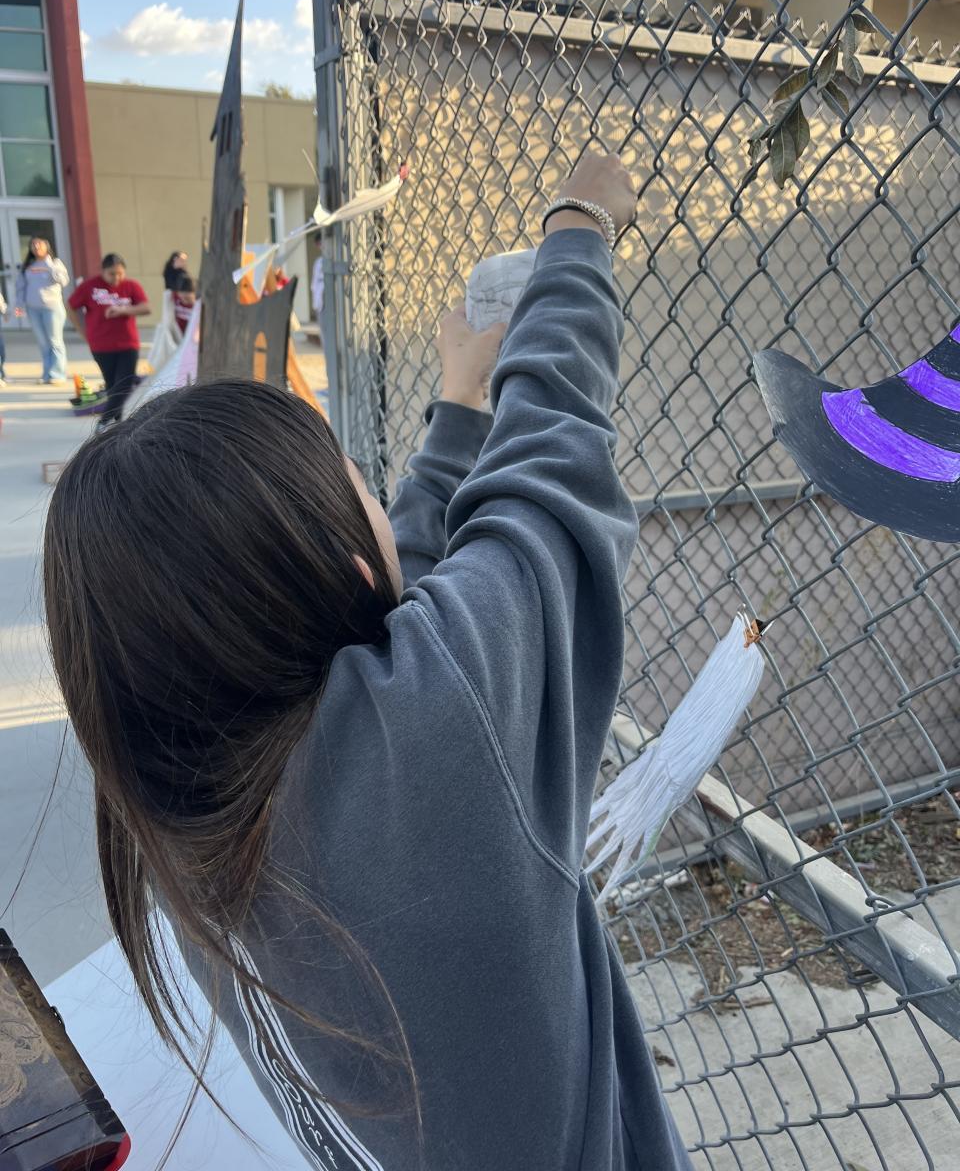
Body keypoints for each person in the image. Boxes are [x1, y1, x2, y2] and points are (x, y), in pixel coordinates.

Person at [42, 153, 693, 1171]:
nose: (388, 505)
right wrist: (578, 230)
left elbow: (388, 610)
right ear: (349, 567)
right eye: (363, 483)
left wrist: (459, 405)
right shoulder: (431, 735)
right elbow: (548, 479)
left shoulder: (180, 804)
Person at [67, 253, 150, 429]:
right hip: (101, 345)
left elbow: (145, 307)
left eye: (120, 273)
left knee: (125, 383)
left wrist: (123, 310)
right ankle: (119, 425)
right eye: (112, 274)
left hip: (127, 343)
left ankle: (104, 421)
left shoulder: (131, 286)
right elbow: (71, 306)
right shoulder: (90, 286)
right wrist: (82, 331)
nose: (116, 278)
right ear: (103, 271)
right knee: (113, 385)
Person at [16, 237, 70, 384]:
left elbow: (63, 281)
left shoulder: (55, 263)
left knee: (55, 341)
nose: (36, 246)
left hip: (52, 309)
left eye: (39, 244)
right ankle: (47, 374)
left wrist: (50, 265)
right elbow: (21, 287)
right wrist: (19, 306)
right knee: (43, 343)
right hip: (33, 309)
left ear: (47, 246)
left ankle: (58, 374)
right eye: (33, 244)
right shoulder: (28, 266)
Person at [310, 231, 324, 345]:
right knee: (323, 331)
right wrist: (315, 304)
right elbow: (314, 285)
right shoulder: (318, 262)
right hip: (320, 302)